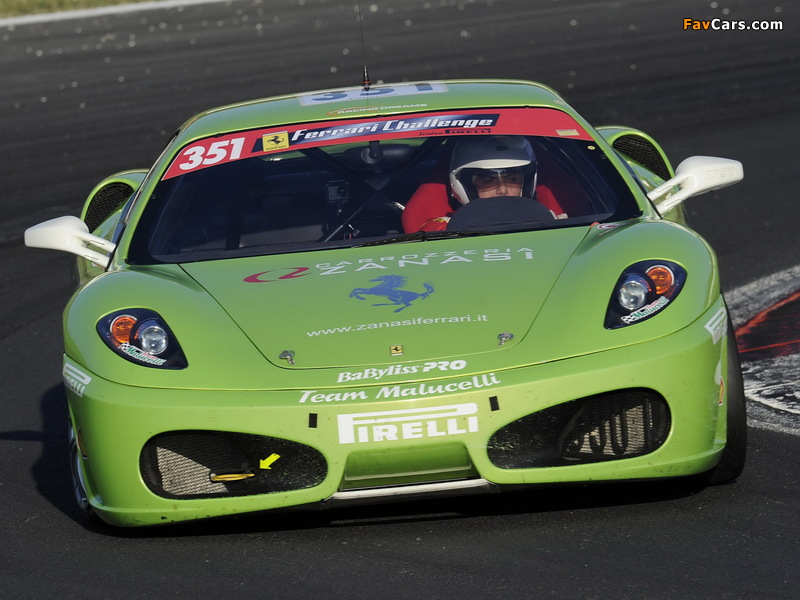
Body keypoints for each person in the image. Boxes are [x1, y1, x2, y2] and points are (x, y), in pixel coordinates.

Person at [401, 135, 564, 233]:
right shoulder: (442, 229)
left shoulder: (556, 222)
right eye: (488, 181)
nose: (503, 190)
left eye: (512, 179)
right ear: (465, 186)